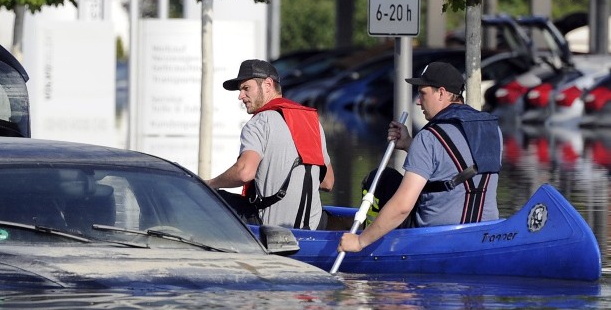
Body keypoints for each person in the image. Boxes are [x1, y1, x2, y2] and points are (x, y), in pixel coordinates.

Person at [338, 61, 501, 254]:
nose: (417, 101)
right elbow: (452, 163)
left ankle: (371, 243)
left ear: (441, 93)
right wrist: (409, 144)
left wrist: (359, 242)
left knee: (381, 180)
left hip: (436, 238)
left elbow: (403, 206)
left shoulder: (429, 137)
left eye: (423, 93)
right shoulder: (493, 130)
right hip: (486, 234)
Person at [206, 59, 335, 230]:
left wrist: (211, 184)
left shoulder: (259, 122)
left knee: (206, 196)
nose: (240, 96)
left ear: (267, 84)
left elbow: (244, 173)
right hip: (313, 228)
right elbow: (327, 182)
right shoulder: (312, 122)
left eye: (246, 88)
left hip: (270, 229)